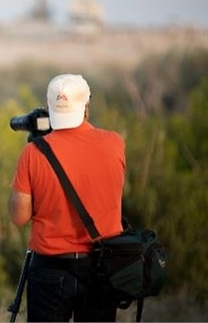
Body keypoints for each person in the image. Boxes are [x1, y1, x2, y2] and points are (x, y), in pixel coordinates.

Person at [8, 73, 126, 322]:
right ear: (86, 108)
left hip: (50, 269)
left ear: (50, 108)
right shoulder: (115, 143)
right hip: (101, 267)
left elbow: (18, 217)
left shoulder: (32, 154)